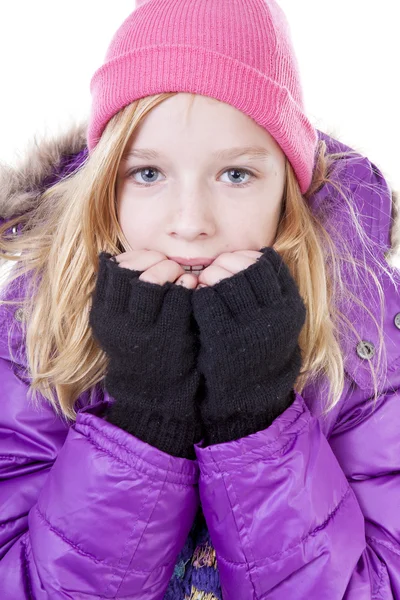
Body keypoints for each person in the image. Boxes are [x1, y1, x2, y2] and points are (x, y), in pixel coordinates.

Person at [0, 0, 399, 598]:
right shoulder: (36, 319)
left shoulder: (362, 322)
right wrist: (141, 424)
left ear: (289, 190)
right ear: (106, 187)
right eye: (148, 174)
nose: (190, 223)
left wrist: (257, 417)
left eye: (235, 174)